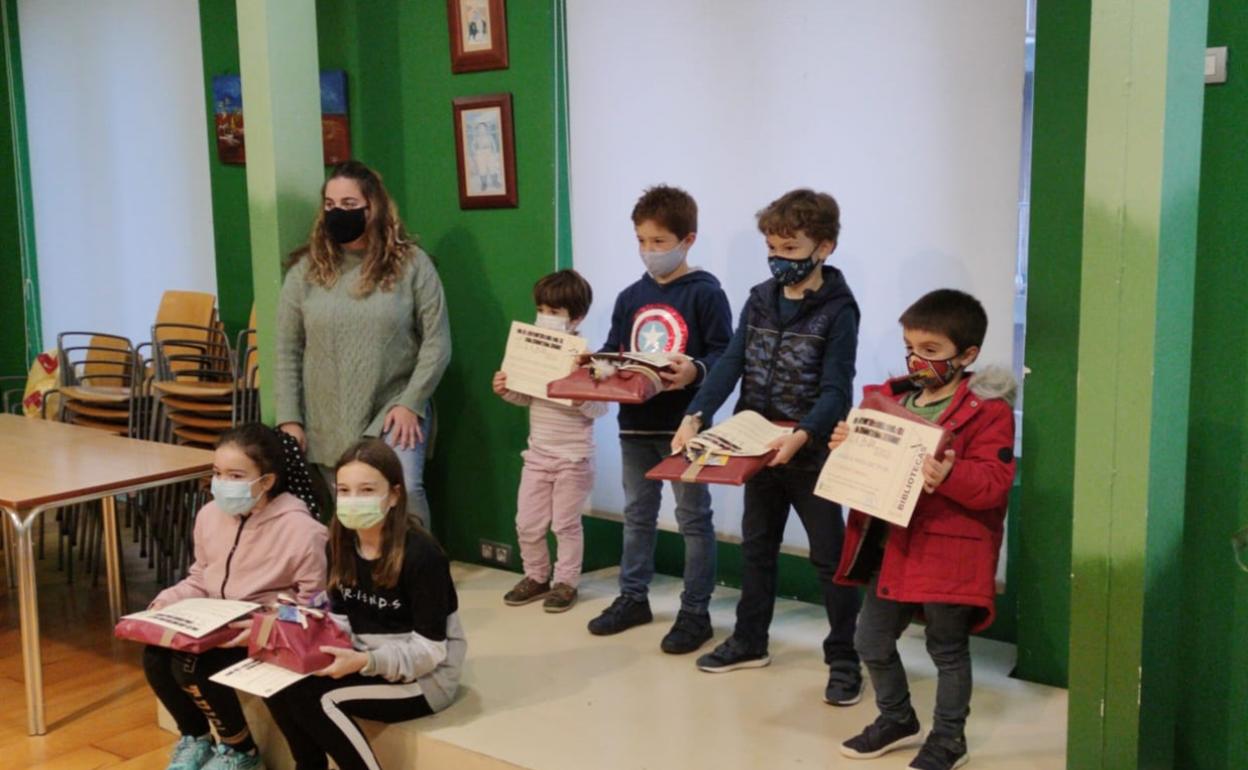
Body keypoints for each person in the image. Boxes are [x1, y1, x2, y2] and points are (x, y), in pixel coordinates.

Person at [673, 188, 864, 705]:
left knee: (831, 557)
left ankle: (845, 658)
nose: (779, 259)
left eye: (791, 249)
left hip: (810, 451)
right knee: (757, 548)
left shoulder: (840, 310)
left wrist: (802, 435)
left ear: (823, 247)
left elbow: (836, 390)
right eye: (772, 248)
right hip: (755, 446)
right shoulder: (759, 297)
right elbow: (732, 362)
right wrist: (696, 414)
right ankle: (750, 640)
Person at [834, 289, 1016, 770]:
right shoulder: (891, 398)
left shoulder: (988, 410)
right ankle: (897, 718)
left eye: (931, 351)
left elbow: (995, 485)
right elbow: (871, 469)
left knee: (947, 648)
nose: (917, 359)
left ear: (967, 355)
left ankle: (950, 739)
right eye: (910, 347)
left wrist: (950, 475)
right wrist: (848, 445)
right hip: (891, 544)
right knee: (870, 640)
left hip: (950, 551)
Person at [585, 184, 733, 655]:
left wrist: (695, 371)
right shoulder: (631, 296)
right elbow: (614, 346)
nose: (650, 251)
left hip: (684, 426)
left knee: (693, 517)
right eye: (642, 241)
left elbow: (724, 353)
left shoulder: (706, 292)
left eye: (659, 242)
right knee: (637, 515)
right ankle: (633, 598)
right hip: (635, 425)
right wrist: (596, 365)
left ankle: (696, 612)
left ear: (687, 240)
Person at [265, 439, 466, 770]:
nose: (352, 500)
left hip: (425, 679)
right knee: (279, 682)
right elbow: (342, 621)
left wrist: (363, 661)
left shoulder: (423, 556)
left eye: (367, 489)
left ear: (395, 495)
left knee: (316, 697)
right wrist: (294, 617)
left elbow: (430, 651)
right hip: (363, 658)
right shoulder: (340, 545)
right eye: (344, 490)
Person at [276, 160, 451, 529]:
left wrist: (411, 403)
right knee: (350, 511)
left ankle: (421, 574)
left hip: (394, 406)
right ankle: (363, 580)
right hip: (327, 414)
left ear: (374, 207)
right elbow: (287, 350)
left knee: (406, 491)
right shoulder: (304, 271)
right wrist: (290, 419)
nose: (338, 212)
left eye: (350, 204)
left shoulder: (412, 265)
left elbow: (437, 342)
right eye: (330, 204)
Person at [144, 424, 328, 770]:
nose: (222, 484)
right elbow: (200, 576)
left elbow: (315, 607)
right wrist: (168, 600)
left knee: (193, 665)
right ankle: (195, 737)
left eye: (235, 475)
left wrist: (265, 624)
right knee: (155, 656)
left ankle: (240, 750)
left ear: (267, 481)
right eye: (217, 473)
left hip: (263, 630)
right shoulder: (209, 516)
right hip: (214, 621)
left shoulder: (303, 532)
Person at [492, 269, 607, 612]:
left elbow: (600, 409)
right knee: (526, 522)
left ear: (577, 317)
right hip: (538, 455)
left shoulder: (590, 361)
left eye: (555, 312)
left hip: (574, 458)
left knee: (565, 524)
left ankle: (566, 582)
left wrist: (579, 396)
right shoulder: (535, 350)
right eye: (542, 309)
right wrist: (506, 389)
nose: (546, 317)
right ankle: (536, 575)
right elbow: (528, 397)